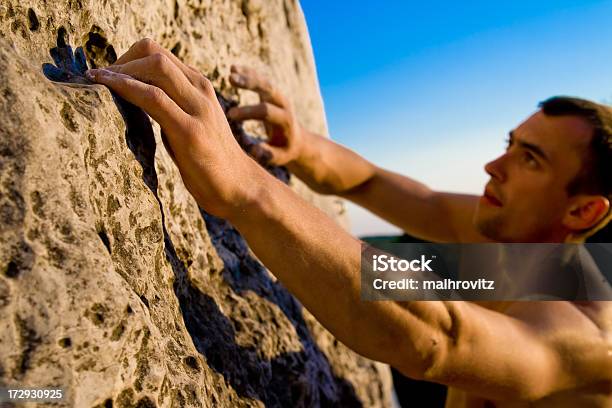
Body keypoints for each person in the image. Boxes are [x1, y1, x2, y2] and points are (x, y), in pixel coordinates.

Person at [85, 39, 612, 407]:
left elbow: (441, 341)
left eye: (531, 160)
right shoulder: (518, 244)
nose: (493, 167)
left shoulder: (590, 328)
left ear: (584, 212)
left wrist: (245, 187)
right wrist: (300, 146)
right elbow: (377, 187)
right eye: (509, 145)